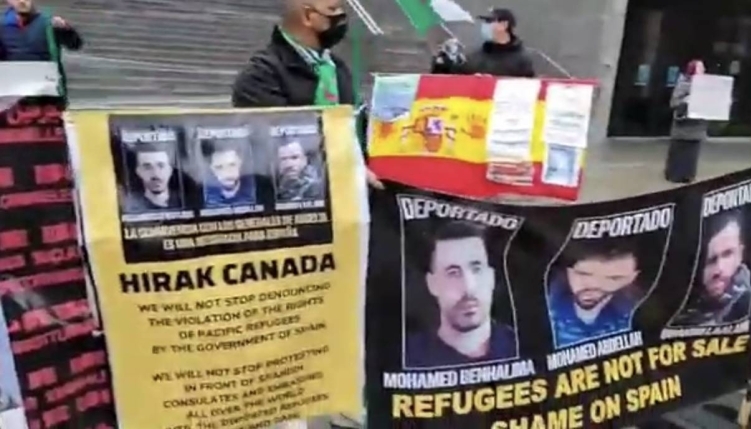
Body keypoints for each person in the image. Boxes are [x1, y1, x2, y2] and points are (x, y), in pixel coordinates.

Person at [231, 0, 381, 189]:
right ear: (307, 16)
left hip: (351, 194)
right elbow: (279, 144)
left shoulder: (337, 68)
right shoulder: (260, 76)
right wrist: (345, 169)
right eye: (333, 10)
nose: (341, 17)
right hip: (296, 197)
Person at [405, 221, 517, 368]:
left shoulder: (526, 348)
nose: (469, 287)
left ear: (492, 277)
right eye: (453, 273)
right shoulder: (408, 359)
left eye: (476, 269)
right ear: (432, 284)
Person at [548, 240, 643, 348]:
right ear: (567, 270)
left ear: (632, 278)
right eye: (584, 274)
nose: (594, 285)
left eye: (614, 278)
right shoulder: (539, 310)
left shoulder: (640, 314)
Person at [671, 212, 751, 326]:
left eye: (728, 254)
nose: (719, 269)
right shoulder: (669, 306)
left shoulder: (749, 307)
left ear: (740, 254)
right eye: (709, 260)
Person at [0, 0, 83, 98]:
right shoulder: (2, 26)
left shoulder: (49, 23)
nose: (22, 1)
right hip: (13, 96)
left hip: (47, 95)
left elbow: (75, 45)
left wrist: (66, 30)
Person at [431, 7, 535, 78]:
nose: (485, 26)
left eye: (489, 22)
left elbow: (529, 91)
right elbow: (450, 81)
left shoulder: (522, 59)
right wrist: (442, 64)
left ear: (504, 25)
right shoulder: (475, 57)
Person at [664, 59, 708, 184]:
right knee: (679, 152)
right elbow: (674, 102)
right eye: (701, 67)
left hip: (697, 127)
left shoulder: (706, 86)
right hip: (683, 126)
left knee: (692, 154)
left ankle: (688, 175)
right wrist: (686, 100)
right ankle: (674, 175)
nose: (703, 70)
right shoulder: (683, 83)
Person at [124, 144, 180, 212]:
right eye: (147, 167)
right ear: (138, 172)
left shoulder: (187, 202)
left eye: (161, 166)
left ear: (170, 170)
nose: (155, 174)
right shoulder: (131, 207)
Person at [203, 142, 255, 207]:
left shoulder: (254, 192)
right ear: (211, 169)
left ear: (240, 163)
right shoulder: (207, 199)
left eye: (232, 165)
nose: (226, 172)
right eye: (219, 167)